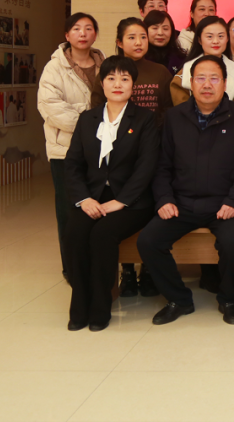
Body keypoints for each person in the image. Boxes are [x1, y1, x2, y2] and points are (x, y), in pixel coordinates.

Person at [138, 55, 234, 326]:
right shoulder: (174, 117)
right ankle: (178, 299)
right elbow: (162, 165)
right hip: (182, 203)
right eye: (200, 78)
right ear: (191, 83)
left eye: (214, 78)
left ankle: (229, 298)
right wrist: (164, 199)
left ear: (225, 83)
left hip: (225, 204)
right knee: (148, 241)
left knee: (232, 244)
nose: (207, 84)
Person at [63, 56, 159, 331]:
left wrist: (121, 201)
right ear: (102, 84)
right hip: (92, 197)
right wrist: (84, 199)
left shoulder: (145, 119)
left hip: (132, 202)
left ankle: (100, 306)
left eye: (125, 79)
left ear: (133, 85)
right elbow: (73, 164)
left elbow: (146, 167)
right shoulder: (87, 119)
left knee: (102, 235)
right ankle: (79, 305)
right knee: (75, 233)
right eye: (111, 78)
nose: (118, 84)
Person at [95, 18, 174, 297]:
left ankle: (148, 270)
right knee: (120, 211)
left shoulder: (160, 71)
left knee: (150, 207)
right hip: (119, 154)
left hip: (154, 149)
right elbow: (99, 111)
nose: (138, 42)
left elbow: (167, 109)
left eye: (142, 36)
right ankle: (126, 271)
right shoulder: (109, 70)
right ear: (119, 42)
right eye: (131, 37)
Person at [37, 13, 105, 281]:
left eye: (88, 28)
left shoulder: (105, 65)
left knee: (98, 208)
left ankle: (97, 265)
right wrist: (92, 121)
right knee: (69, 211)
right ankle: (72, 269)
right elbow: (51, 108)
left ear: (95, 34)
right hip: (65, 151)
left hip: (101, 151)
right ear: (67, 35)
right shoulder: (54, 67)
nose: (83, 33)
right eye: (76, 29)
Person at [169, 16, 234, 106]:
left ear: (227, 38)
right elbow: (181, 108)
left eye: (220, 36)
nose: (215, 41)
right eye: (209, 36)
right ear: (200, 40)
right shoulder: (184, 73)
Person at [143, 11, 187, 77]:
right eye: (155, 28)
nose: (160, 33)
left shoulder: (182, 60)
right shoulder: (139, 58)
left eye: (165, 29)